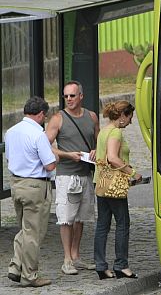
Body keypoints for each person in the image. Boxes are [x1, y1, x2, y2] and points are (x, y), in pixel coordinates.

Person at [46, 80, 99, 276]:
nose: (68, 99)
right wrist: (67, 155)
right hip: (66, 175)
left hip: (85, 173)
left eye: (72, 95)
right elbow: (45, 145)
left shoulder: (92, 117)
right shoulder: (58, 118)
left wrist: (95, 149)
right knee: (66, 219)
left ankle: (76, 256)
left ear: (81, 96)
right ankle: (66, 259)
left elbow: (99, 139)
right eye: (66, 96)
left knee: (80, 218)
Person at [6, 96, 58, 288]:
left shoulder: (11, 132)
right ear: (41, 114)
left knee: (25, 229)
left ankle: (15, 265)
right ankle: (29, 275)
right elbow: (50, 165)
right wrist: (57, 157)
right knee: (33, 233)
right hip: (36, 187)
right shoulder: (38, 134)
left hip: (17, 184)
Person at [93, 100, 141, 280]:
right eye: (130, 117)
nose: (130, 122)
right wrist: (133, 172)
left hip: (101, 182)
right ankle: (121, 265)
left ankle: (101, 266)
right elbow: (113, 158)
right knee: (123, 224)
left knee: (102, 225)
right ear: (122, 116)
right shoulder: (115, 133)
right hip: (114, 184)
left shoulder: (104, 131)